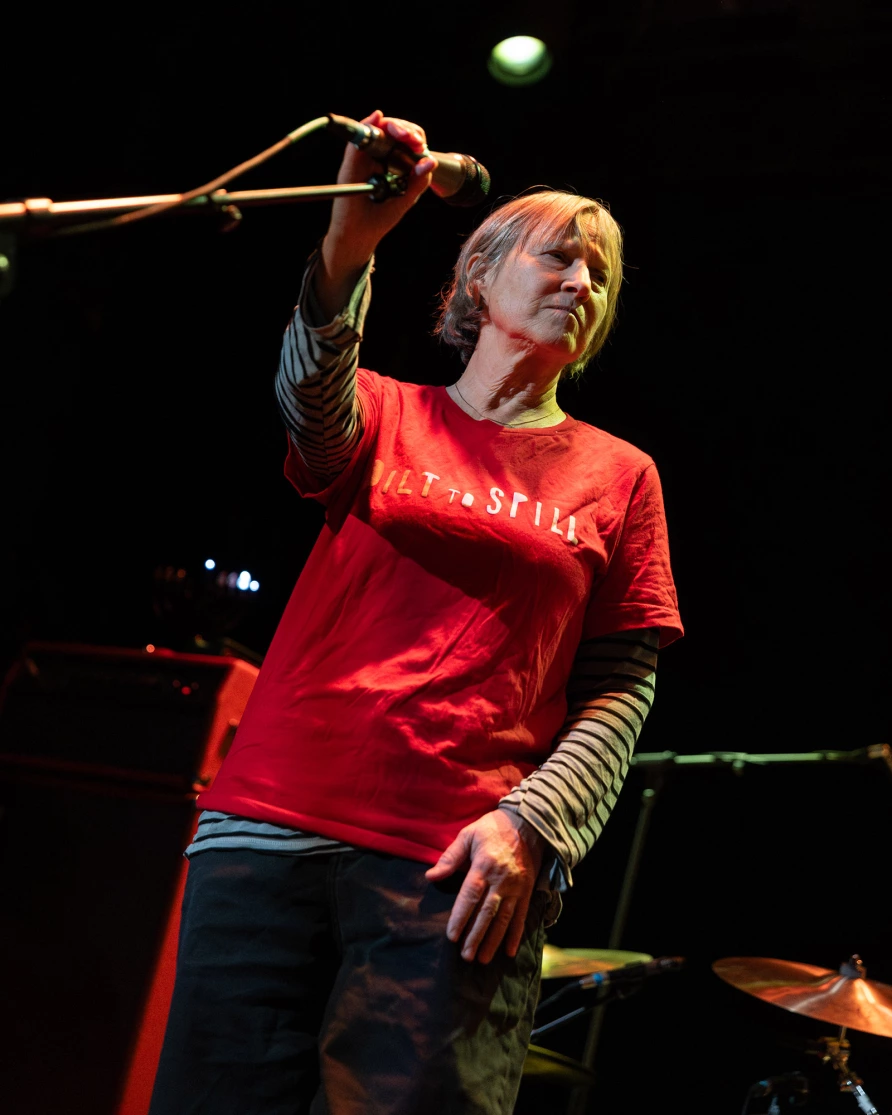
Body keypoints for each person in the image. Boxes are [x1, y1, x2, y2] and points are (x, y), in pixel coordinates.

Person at [148, 110, 683, 1115]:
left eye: (601, 275)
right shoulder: (387, 412)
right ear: (478, 278)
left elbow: (622, 686)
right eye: (559, 257)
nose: (582, 282)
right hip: (267, 833)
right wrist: (352, 237)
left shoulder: (620, 475)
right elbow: (310, 401)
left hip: (449, 869)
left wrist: (534, 824)